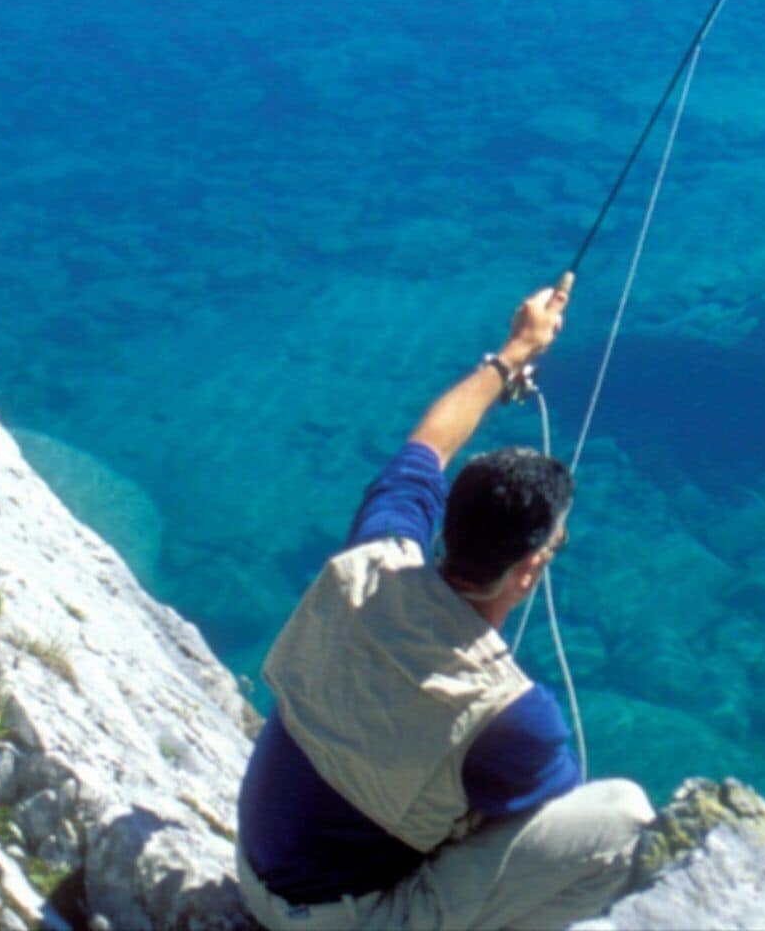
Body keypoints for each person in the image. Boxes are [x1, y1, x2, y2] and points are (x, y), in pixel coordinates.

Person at [234, 273, 653, 930]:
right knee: (622, 819)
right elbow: (533, 832)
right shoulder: (512, 714)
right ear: (532, 566)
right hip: (329, 921)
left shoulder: (370, 563)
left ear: (446, 520)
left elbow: (428, 445)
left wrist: (513, 352)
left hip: (255, 869)